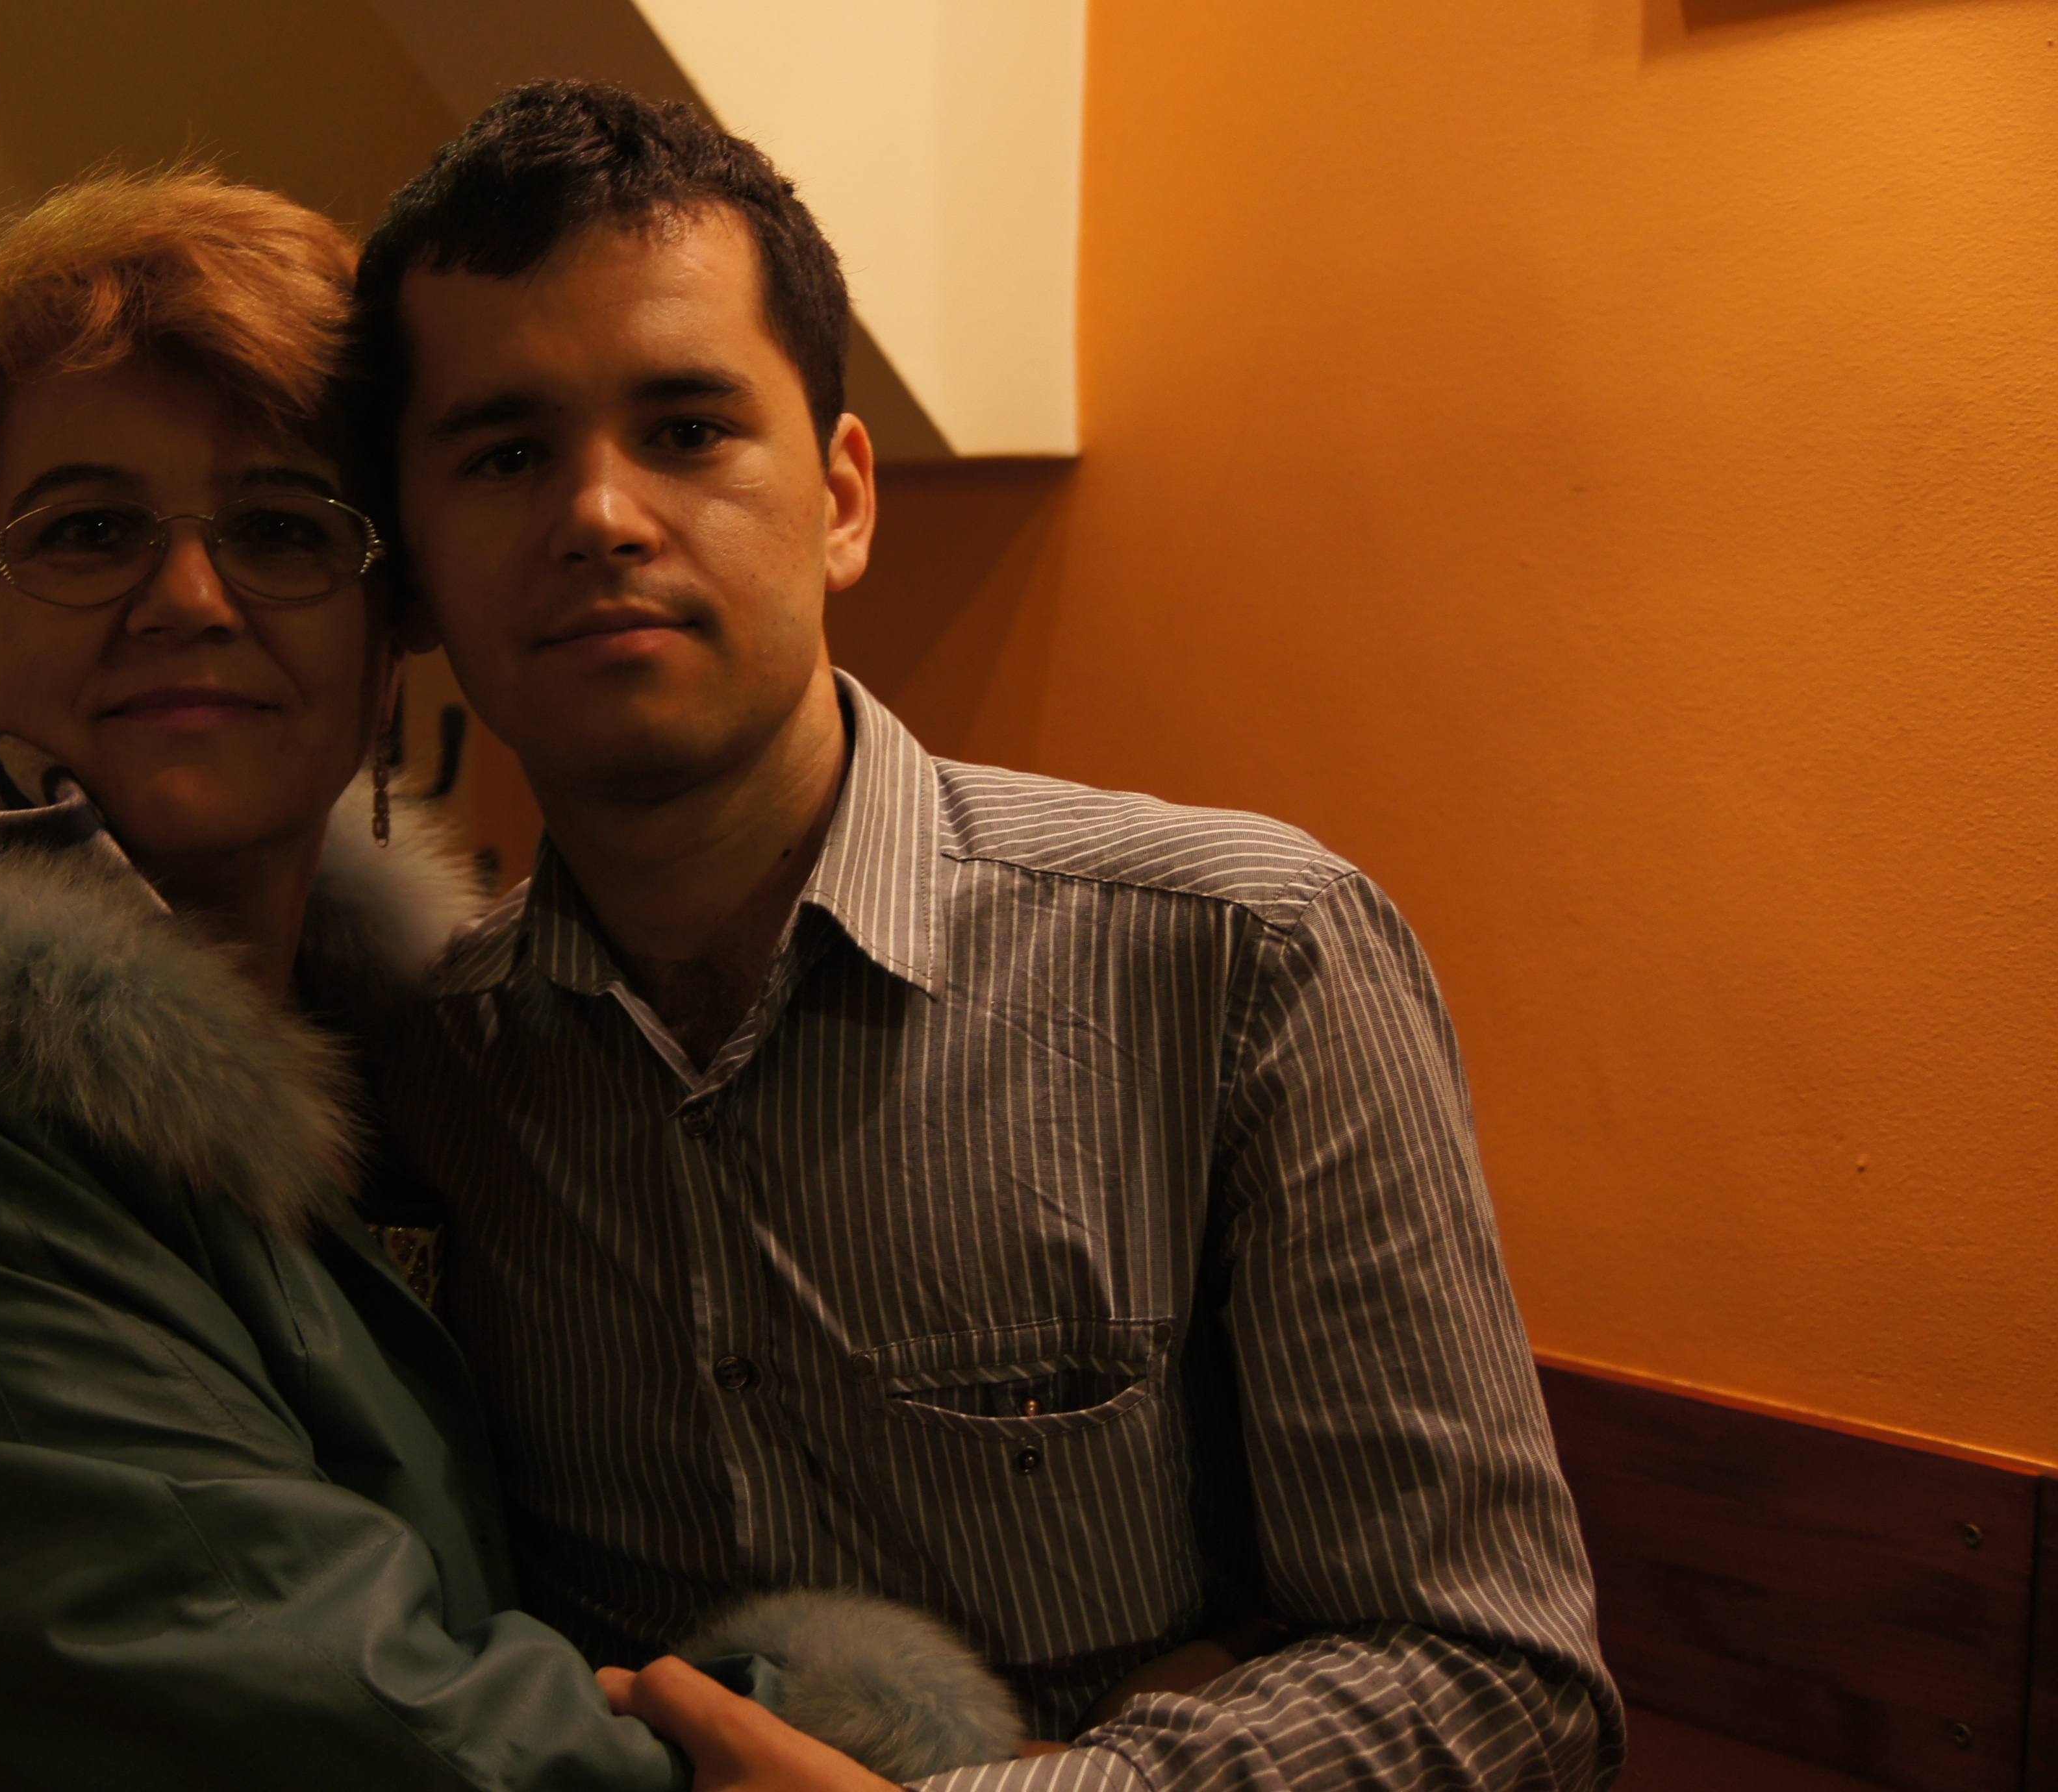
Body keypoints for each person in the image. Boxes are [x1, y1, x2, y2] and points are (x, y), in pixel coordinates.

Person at [0, 168, 1012, 1792]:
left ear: (395, 618)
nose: (189, 600)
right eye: (87, 532)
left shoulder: (412, 1065)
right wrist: (863, 1727)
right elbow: (341, 1727)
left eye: (279, 529)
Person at [353, 82, 1623, 1791]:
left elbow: (1500, 1679)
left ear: (842, 499)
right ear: (415, 576)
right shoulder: (429, 1076)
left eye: (688, 427)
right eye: (505, 453)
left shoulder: (1243, 959)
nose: (599, 512)